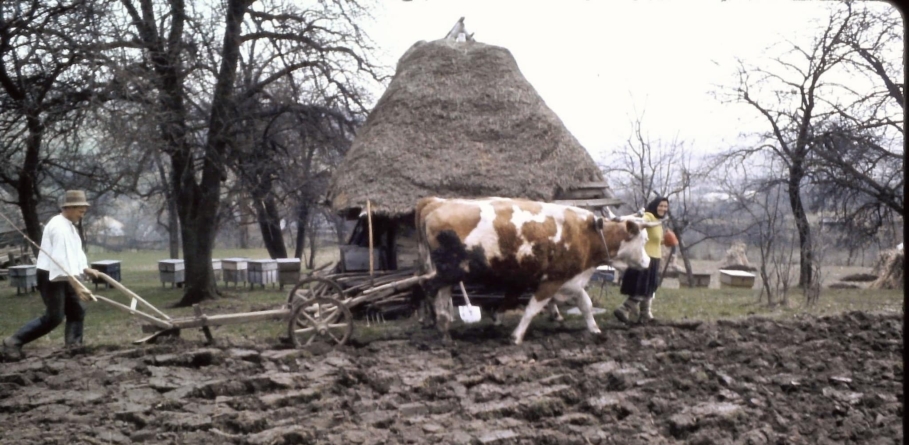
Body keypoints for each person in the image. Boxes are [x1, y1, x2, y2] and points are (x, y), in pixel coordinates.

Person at [2, 190, 99, 360]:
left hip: (66, 274)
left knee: (77, 311)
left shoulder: (69, 226)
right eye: (80, 211)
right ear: (69, 208)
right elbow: (61, 261)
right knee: (54, 317)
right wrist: (77, 286)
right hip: (51, 276)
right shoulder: (58, 227)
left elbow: (75, 252)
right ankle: (13, 341)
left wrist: (85, 268)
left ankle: (74, 347)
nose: (81, 215)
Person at [614, 196, 669, 325]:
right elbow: (641, 221)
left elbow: (655, 241)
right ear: (655, 205)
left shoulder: (658, 221)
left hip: (655, 258)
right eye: (660, 205)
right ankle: (624, 308)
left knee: (650, 287)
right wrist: (637, 219)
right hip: (646, 258)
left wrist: (665, 241)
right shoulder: (649, 216)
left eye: (665, 206)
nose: (663, 208)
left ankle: (645, 315)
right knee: (643, 287)